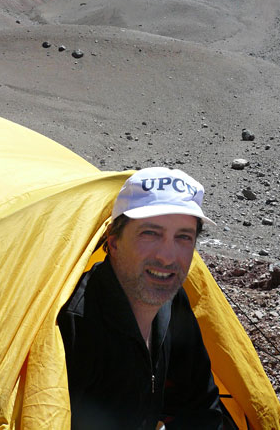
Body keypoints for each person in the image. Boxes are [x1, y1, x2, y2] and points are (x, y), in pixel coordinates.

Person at [58, 167, 224, 430]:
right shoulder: (74, 324)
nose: (167, 257)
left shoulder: (172, 305)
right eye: (150, 233)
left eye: (183, 237)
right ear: (113, 242)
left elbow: (201, 407)